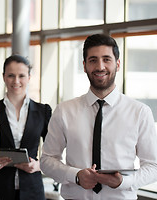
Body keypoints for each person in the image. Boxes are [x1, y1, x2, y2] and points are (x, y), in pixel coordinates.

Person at [40, 34, 157, 199]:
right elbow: (47, 160)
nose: (100, 66)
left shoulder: (140, 112)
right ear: (85, 65)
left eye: (106, 59)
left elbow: (153, 166)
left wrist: (123, 181)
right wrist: (76, 175)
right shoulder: (64, 111)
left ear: (117, 64)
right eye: (93, 60)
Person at [0, 55, 52, 200]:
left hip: (32, 189)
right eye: (11, 75)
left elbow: (55, 150)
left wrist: (38, 165)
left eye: (21, 76)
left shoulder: (43, 111)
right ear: (4, 77)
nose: (16, 81)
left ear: (29, 77)